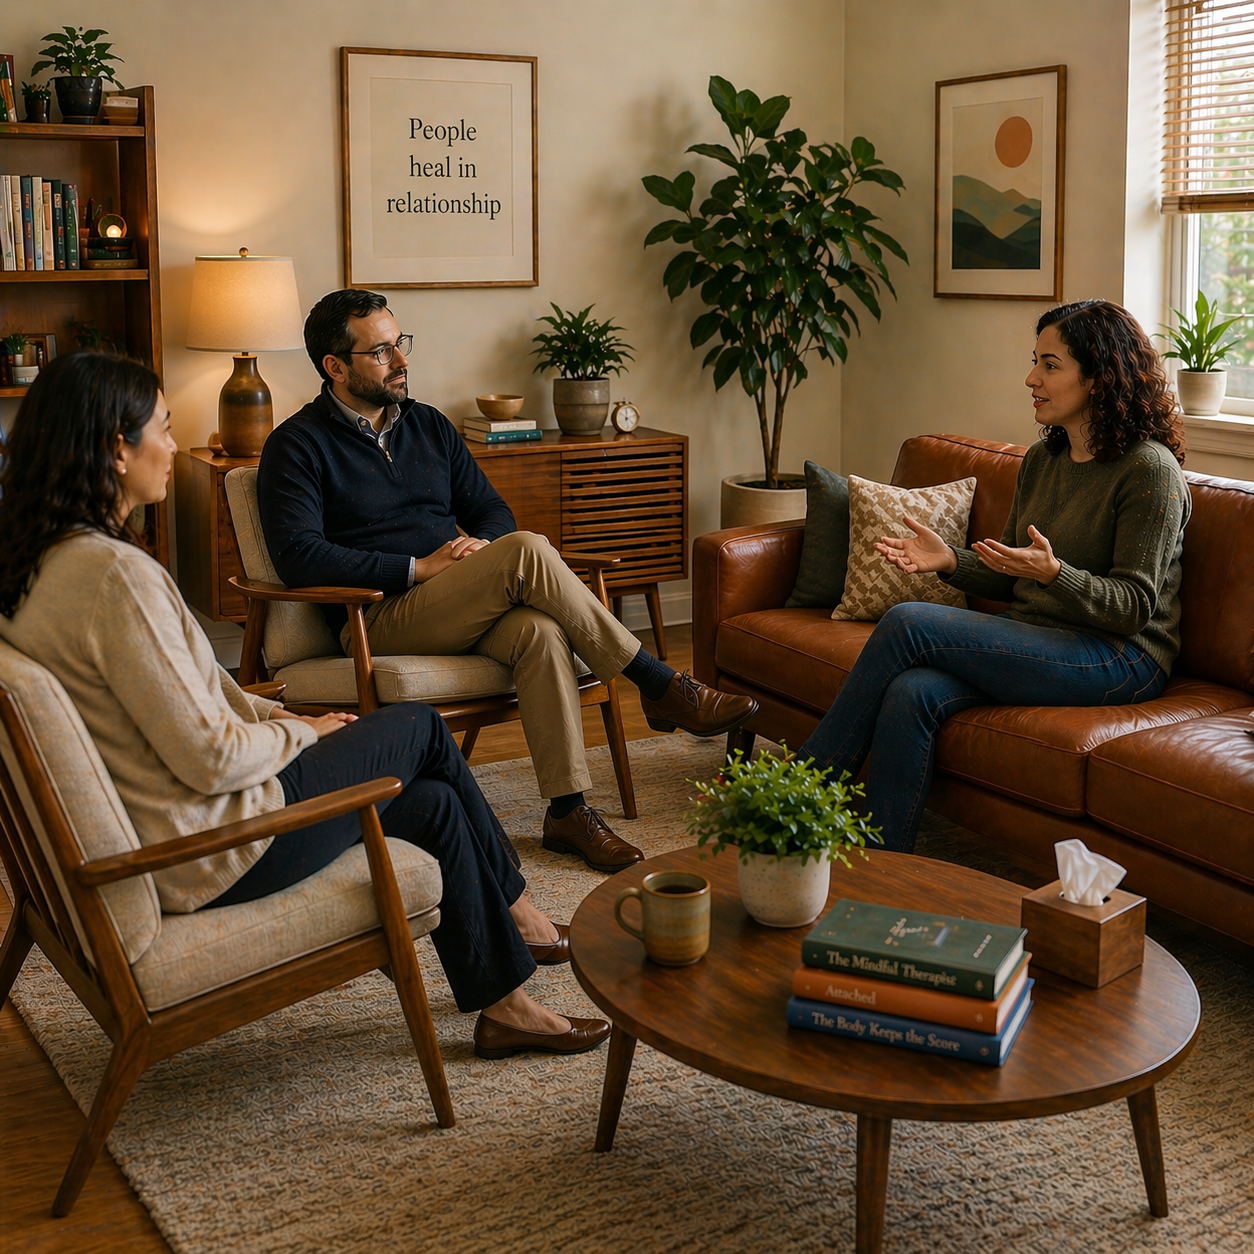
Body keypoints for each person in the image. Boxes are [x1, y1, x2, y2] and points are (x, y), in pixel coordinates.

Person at [0, 351, 611, 1062]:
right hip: (211, 847)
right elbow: (210, 755)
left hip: (173, 828)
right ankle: (519, 909)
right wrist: (303, 737)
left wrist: (276, 718)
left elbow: (200, 697)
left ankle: (506, 1005)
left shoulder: (42, 562)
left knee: (436, 805)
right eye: (162, 429)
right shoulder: (115, 576)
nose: (171, 445)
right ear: (116, 448)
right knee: (414, 729)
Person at [256, 288, 758, 874]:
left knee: (539, 629)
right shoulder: (296, 445)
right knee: (526, 553)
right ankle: (657, 682)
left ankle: (567, 810)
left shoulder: (430, 426)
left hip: (456, 601)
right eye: (381, 352)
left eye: (402, 344)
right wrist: (420, 568)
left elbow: (493, 511)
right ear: (334, 367)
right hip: (377, 617)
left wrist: (479, 547)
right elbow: (299, 556)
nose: (401, 361)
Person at [798, 299, 1191, 853]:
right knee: (913, 691)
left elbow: (1132, 607)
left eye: (1051, 365)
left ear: (1101, 377)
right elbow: (1013, 575)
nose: (1031, 378)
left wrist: (1056, 574)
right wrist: (950, 561)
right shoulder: (1043, 459)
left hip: (1122, 657)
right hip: (1048, 636)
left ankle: (801, 790)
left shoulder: (1149, 470)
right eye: (1035, 361)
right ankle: (883, 866)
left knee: (908, 621)